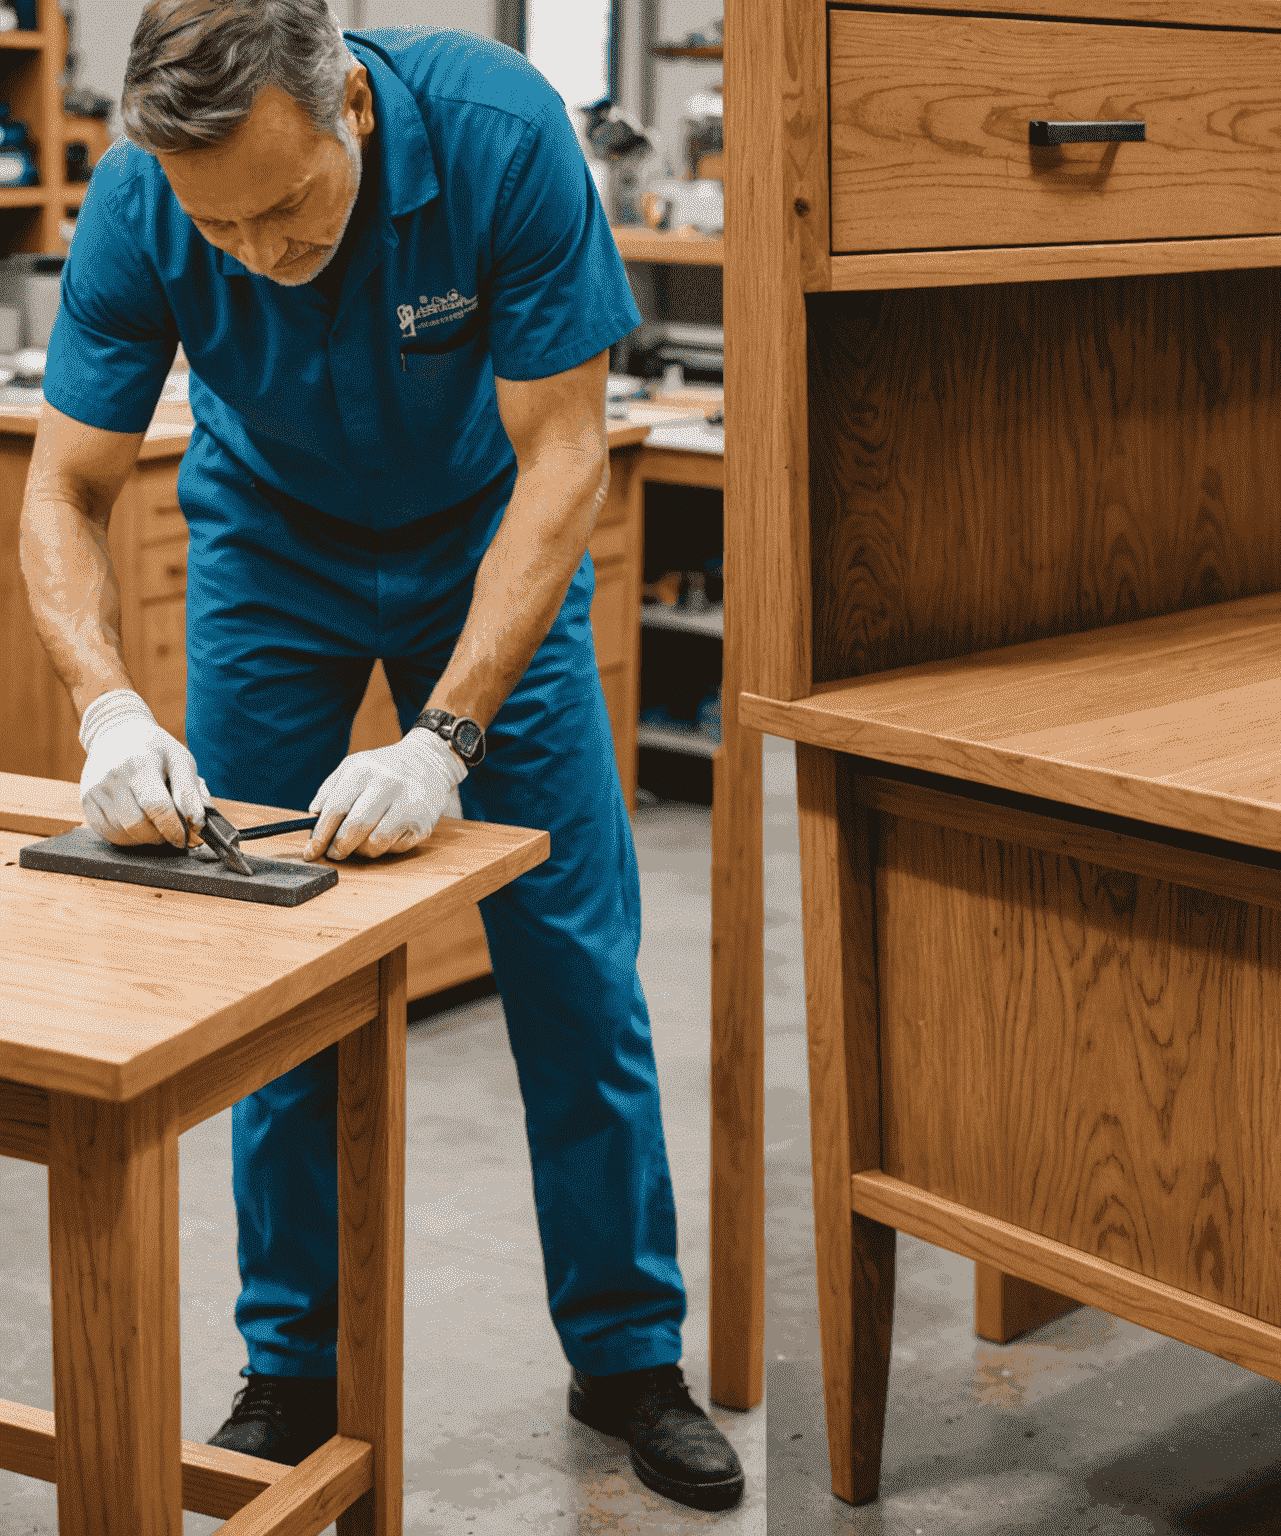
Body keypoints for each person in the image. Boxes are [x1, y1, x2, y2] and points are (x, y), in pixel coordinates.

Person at [17, 0, 743, 1513]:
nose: (261, 254)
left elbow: (564, 457)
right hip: (268, 552)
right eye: (226, 231)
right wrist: (106, 705)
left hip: (484, 542)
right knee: (266, 967)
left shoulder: (498, 137)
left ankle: (626, 1354)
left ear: (347, 100)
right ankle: (292, 1367)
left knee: (574, 962)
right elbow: (66, 491)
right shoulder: (159, 197)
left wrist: (444, 739)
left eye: (284, 209)